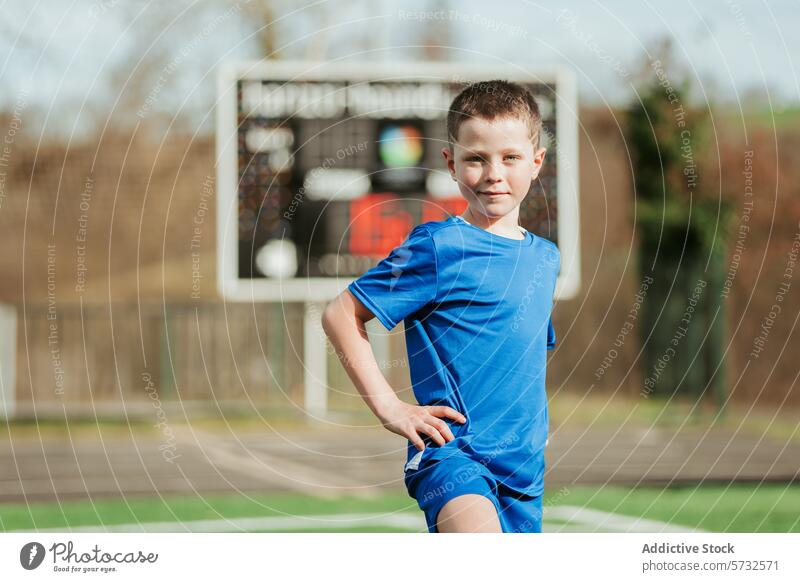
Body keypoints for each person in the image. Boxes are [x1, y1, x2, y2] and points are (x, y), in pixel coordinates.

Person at [322, 80, 560, 533]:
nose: (494, 173)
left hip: (525, 470)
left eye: (510, 157)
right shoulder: (438, 246)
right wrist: (390, 407)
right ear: (451, 164)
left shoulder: (545, 258)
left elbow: (521, 362)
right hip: (454, 456)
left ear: (537, 162)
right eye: (476, 158)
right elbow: (340, 313)